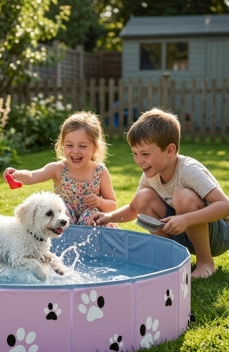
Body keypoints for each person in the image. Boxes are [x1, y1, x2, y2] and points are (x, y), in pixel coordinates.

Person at [93, 107, 229, 279]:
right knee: (142, 197)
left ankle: (205, 262)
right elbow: (134, 208)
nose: (138, 160)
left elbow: (225, 206)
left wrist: (185, 219)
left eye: (145, 154)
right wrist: (109, 217)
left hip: (217, 237)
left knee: (183, 197)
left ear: (170, 150)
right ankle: (172, 259)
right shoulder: (151, 173)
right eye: (134, 153)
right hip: (181, 229)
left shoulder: (189, 170)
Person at [3, 111, 117, 226]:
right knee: (63, 211)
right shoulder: (58, 169)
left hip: (90, 225)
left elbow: (112, 204)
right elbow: (33, 176)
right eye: (69, 145)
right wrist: (16, 174)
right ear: (62, 145)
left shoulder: (99, 172)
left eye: (82, 146)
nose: (75, 151)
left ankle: (89, 243)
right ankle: (65, 242)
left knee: (92, 214)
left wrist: (99, 202)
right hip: (64, 223)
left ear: (95, 147)